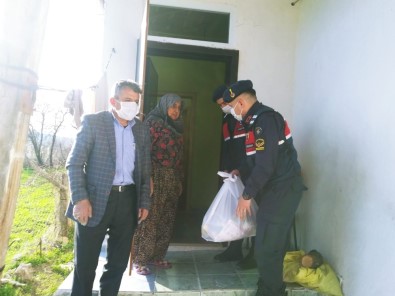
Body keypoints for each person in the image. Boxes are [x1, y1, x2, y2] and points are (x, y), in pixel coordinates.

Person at [65, 79, 151, 296]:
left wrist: (144, 202)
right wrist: (80, 199)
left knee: (118, 263)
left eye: (136, 101)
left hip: (128, 201)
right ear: (114, 101)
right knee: (85, 264)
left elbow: (144, 172)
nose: (133, 105)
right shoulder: (94, 123)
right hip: (93, 201)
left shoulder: (141, 130)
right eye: (128, 100)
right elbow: (74, 163)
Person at [223, 80, 307, 296]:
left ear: (241, 102)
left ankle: (272, 291)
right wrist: (240, 170)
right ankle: (270, 288)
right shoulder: (254, 122)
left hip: (282, 191)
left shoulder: (265, 121)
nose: (232, 111)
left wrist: (246, 194)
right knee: (270, 246)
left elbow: (266, 166)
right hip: (276, 191)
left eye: (232, 106)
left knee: (267, 249)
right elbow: (255, 159)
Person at [132, 93, 184, 275]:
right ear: (164, 106)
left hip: (171, 177)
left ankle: (157, 256)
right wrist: (148, 178)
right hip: (155, 176)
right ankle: (140, 260)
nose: (176, 111)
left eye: (178, 107)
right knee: (150, 219)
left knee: (167, 219)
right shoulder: (152, 123)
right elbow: (143, 153)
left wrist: (179, 179)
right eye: (173, 106)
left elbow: (178, 157)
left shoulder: (177, 126)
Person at [211, 84, 256, 269]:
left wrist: (244, 168)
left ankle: (255, 254)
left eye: (225, 102)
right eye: (220, 104)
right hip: (235, 173)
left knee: (254, 213)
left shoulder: (245, 118)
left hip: (252, 172)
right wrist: (228, 169)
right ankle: (234, 248)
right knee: (236, 213)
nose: (224, 106)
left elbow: (251, 149)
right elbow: (229, 148)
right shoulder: (226, 120)